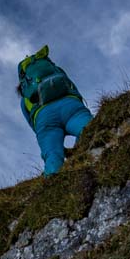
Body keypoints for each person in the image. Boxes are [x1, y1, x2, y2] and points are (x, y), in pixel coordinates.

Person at [17, 45, 93, 176]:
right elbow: (74, 91)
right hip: (71, 106)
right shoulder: (57, 72)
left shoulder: (25, 97)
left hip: (44, 119)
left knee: (52, 156)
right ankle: (84, 155)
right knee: (92, 131)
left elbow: (33, 123)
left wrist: (47, 137)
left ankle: (54, 186)